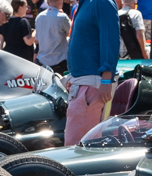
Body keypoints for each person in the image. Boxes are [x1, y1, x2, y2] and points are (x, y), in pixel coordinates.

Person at [63, 0, 118, 145]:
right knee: (75, 144)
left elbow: (110, 41)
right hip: (83, 84)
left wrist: (106, 80)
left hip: (92, 86)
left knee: (77, 148)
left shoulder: (102, 2)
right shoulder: (84, 4)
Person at [35, 0, 69, 73]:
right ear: (60, 1)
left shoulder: (39, 17)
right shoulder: (62, 17)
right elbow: (72, 33)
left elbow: (37, 39)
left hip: (42, 62)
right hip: (60, 63)